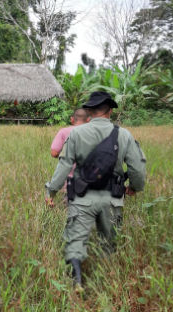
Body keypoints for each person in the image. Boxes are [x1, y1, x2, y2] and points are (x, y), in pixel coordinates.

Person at [44, 91, 147, 290]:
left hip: (81, 197)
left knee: (75, 239)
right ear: (110, 110)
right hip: (112, 198)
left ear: (90, 111)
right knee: (108, 241)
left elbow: (64, 166)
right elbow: (138, 168)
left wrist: (52, 191)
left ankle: (77, 280)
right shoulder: (124, 135)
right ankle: (107, 283)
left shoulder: (75, 134)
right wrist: (134, 187)